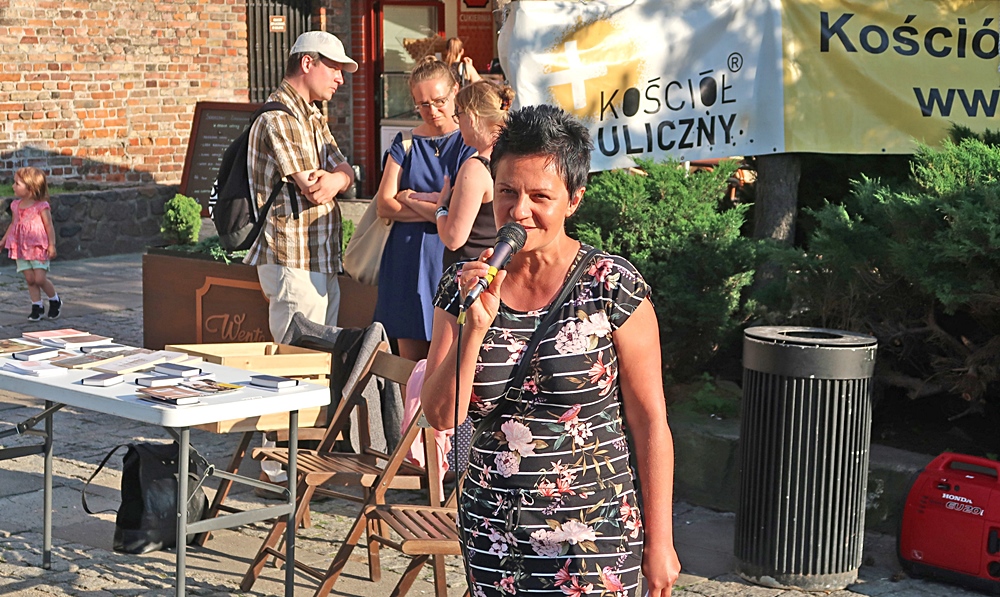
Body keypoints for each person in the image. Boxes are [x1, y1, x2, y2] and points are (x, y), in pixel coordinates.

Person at [420, 105, 681, 596]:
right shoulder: (463, 286)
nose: (519, 211)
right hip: (494, 533)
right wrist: (474, 328)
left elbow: (650, 421)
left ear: (574, 200)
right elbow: (439, 415)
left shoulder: (612, 286)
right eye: (507, 192)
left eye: (540, 196)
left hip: (594, 535)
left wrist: (661, 542)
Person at [243, 31, 357, 342]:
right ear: (308, 63)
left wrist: (338, 179)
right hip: (293, 260)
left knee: (322, 358)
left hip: (319, 256)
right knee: (298, 358)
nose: (340, 79)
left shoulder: (312, 115)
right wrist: (337, 180)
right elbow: (315, 189)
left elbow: (346, 171)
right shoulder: (279, 117)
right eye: (334, 69)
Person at [372, 56, 476, 362]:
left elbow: (461, 213)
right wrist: (437, 205)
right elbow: (384, 205)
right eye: (423, 104)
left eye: (439, 101)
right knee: (409, 364)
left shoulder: (469, 143)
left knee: (448, 360)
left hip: (447, 257)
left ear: (455, 90)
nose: (433, 111)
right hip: (404, 259)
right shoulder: (405, 142)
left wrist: (408, 198)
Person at [435, 80, 514, 271]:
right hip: (499, 268)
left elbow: (453, 238)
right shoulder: (512, 159)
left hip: (470, 273)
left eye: (458, 115)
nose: (457, 123)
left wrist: (440, 208)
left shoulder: (475, 169)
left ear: (471, 117)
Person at [1, 167, 62, 321]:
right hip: (21, 247)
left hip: (37, 248)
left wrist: (52, 245)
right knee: (30, 279)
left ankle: (54, 300)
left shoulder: (41, 206)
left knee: (39, 279)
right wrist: (4, 240)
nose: (13, 186)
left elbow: (49, 226)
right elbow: (14, 224)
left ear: (30, 187)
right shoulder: (15, 205)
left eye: (17, 183)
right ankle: (37, 306)